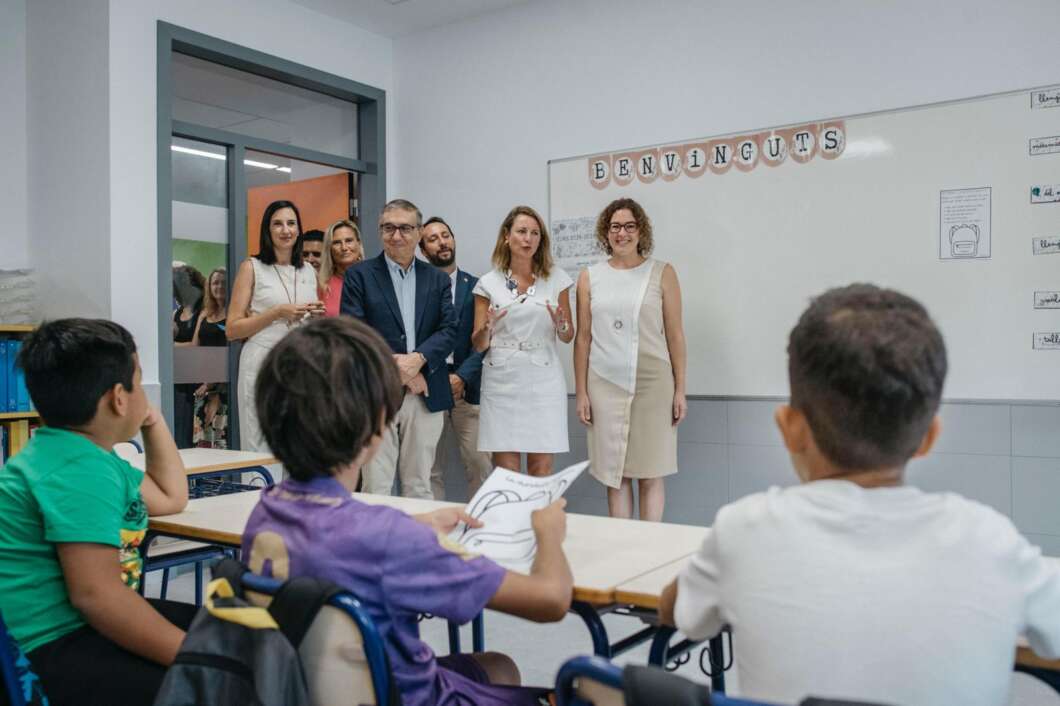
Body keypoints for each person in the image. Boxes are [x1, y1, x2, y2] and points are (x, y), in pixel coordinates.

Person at [657, 284, 1060, 706]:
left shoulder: (743, 530)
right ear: (928, 437)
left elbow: (675, 610)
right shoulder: (991, 541)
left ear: (789, 428)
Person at [243, 317, 571, 706]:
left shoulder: (268, 509)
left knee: (498, 666)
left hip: (315, 689)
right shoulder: (390, 540)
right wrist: (549, 531)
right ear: (376, 429)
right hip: (411, 696)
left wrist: (415, 523)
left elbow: (341, 540)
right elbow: (550, 600)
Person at [0, 319, 193, 706]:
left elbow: (171, 496)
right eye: (139, 383)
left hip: (76, 626)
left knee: (230, 631)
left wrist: (151, 421)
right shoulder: (78, 470)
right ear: (118, 398)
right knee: (221, 676)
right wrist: (200, 659)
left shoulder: (84, 453)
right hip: (48, 648)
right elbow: (96, 597)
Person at [574, 198, 687, 521]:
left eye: (629, 226)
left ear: (640, 231)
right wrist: (581, 392)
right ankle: (622, 547)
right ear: (605, 233)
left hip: (653, 383)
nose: (621, 233)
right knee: (616, 473)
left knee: (651, 471)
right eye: (614, 227)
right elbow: (583, 338)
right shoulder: (589, 276)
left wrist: (680, 390)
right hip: (604, 382)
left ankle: (650, 549)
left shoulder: (662, 273)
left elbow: (676, 335)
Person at [340, 199, 456, 498]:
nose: (396, 235)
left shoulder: (438, 279)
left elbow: (449, 330)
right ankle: (374, 545)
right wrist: (401, 371)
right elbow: (354, 331)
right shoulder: (360, 275)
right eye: (388, 228)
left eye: (405, 228)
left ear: (418, 233)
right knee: (376, 484)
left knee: (420, 483)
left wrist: (418, 361)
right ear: (380, 232)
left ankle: (414, 545)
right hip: (377, 391)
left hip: (426, 391)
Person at [472, 205, 574, 477]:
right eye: (521, 231)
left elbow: (567, 335)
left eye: (534, 233)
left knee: (541, 466)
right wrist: (487, 327)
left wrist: (560, 322)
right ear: (507, 236)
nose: (528, 239)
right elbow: (479, 344)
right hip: (502, 379)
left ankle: (538, 521)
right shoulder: (487, 283)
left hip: (543, 378)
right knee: (507, 469)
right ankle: (512, 521)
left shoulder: (556, 279)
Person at [228, 200, 324, 453]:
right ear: (267, 230)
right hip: (261, 360)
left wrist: (314, 317)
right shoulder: (252, 267)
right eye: (278, 224)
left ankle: (293, 494)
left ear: (299, 229)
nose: (286, 230)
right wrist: (276, 313)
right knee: (259, 442)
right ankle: (259, 493)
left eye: (291, 223)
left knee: (297, 442)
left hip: (300, 362)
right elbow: (233, 328)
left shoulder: (308, 272)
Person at [420, 216, 494, 499]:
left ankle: (481, 531)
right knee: (428, 470)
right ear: (423, 250)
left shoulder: (478, 287)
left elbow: (486, 341)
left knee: (480, 464)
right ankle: (433, 536)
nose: (442, 242)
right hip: (428, 387)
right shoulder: (418, 289)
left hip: (469, 387)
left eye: (446, 235)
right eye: (433, 238)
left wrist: (463, 376)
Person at [191, 267, 229, 448]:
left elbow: (232, 353)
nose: (219, 286)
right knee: (202, 441)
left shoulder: (234, 315)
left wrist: (213, 386)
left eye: (223, 282)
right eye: (215, 282)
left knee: (220, 440)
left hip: (222, 386)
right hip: (202, 387)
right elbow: (194, 347)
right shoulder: (205, 314)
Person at [171, 264, 205, 449]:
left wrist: (172, 346)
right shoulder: (177, 313)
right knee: (179, 429)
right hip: (178, 378)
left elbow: (194, 345)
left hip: (196, 378)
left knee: (193, 431)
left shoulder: (203, 311)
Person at [318, 218, 364, 317]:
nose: (344, 247)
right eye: (337, 243)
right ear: (329, 248)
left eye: (349, 241)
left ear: (359, 243)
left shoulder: (372, 280)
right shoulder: (321, 285)